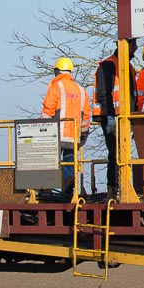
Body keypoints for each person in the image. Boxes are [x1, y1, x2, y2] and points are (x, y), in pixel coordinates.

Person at [40, 57, 92, 202]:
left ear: (57, 71)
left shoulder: (56, 86)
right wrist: (83, 134)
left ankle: (48, 188)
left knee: (52, 160)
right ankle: (69, 180)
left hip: (56, 134)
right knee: (69, 160)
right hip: (74, 135)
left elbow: (48, 110)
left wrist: (40, 129)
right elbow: (86, 115)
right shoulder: (81, 90)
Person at [92, 39, 136, 197]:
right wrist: (110, 116)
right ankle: (113, 189)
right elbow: (104, 93)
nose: (136, 48)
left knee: (122, 154)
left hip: (124, 118)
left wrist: (135, 118)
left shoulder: (128, 67)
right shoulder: (108, 65)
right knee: (115, 153)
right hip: (111, 116)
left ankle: (121, 187)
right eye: (134, 44)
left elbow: (134, 95)